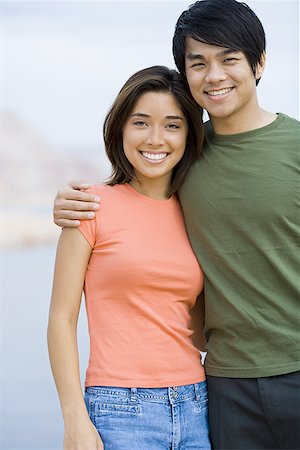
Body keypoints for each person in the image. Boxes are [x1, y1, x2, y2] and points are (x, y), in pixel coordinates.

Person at [53, 1, 300, 449]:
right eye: (198, 62)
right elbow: (133, 196)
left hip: (239, 386)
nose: (215, 75)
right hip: (209, 390)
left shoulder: (284, 150)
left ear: (259, 62)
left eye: (229, 59)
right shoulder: (167, 164)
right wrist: (66, 206)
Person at [48, 65, 212, 450]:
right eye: (141, 123)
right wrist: (74, 419)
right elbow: (61, 317)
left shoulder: (198, 210)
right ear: (120, 128)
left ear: (189, 134)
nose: (156, 139)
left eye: (172, 125)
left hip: (198, 404)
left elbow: (199, 324)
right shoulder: (89, 206)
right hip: (120, 410)